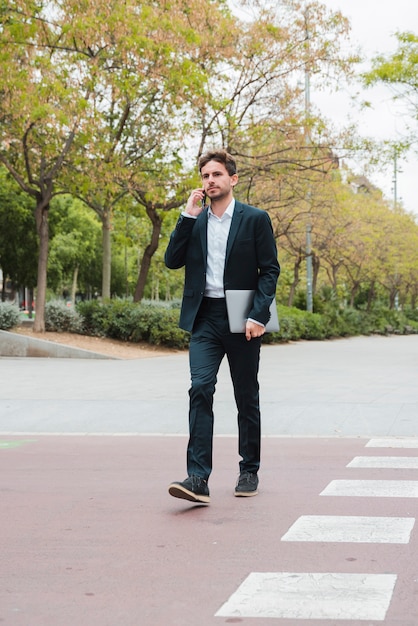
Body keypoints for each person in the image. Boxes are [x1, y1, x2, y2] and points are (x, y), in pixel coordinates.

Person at [164, 149, 280, 504]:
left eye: (216, 174)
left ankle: (249, 469)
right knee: (200, 388)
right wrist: (186, 216)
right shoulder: (195, 220)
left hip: (242, 313)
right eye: (204, 176)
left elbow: (269, 270)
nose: (209, 180)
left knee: (246, 394)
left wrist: (258, 315)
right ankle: (198, 477)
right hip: (204, 316)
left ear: (233, 179)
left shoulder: (255, 219)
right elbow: (172, 261)